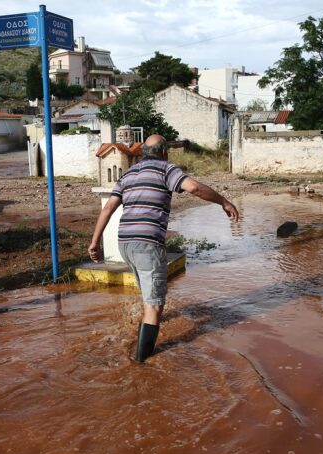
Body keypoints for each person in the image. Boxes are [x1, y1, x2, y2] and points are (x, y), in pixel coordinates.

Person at [88, 134, 239, 362]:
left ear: (143, 153)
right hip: (147, 244)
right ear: (164, 152)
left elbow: (109, 207)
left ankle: (142, 332)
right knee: (154, 306)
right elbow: (195, 188)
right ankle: (142, 364)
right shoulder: (166, 169)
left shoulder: (128, 174)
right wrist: (224, 202)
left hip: (125, 244)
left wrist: (94, 242)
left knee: (148, 296)